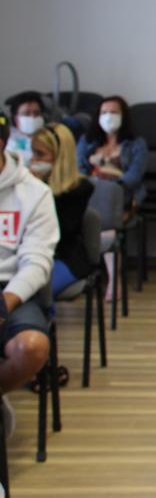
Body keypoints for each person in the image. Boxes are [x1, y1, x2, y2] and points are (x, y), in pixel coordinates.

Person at [0, 113, 58, 434]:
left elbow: (37, 262)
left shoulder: (35, 193)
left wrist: (4, 304)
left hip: (13, 290)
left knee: (32, 347)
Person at [30, 124, 94, 297]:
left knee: (34, 292)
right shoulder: (27, 185)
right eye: (33, 152)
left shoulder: (80, 189)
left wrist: (39, 189)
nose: (33, 159)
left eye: (40, 154)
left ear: (60, 156)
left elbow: (61, 231)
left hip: (64, 257)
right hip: (32, 256)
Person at [76, 96, 148, 210]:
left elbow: (135, 175)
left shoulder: (137, 144)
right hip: (91, 190)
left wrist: (113, 186)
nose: (108, 117)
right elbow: (79, 169)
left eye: (113, 112)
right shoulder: (86, 140)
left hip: (122, 193)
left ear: (123, 116)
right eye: (104, 113)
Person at [5, 91, 47, 169]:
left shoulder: (51, 138)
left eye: (36, 113)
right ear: (15, 118)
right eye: (26, 114)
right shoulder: (7, 140)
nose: (32, 117)